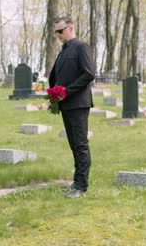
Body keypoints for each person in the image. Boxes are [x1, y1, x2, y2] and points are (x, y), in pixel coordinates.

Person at [49, 16, 95, 198]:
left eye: (60, 31)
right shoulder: (63, 51)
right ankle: (76, 181)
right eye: (56, 32)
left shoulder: (81, 47)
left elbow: (89, 74)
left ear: (71, 28)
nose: (58, 35)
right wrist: (53, 94)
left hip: (78, 103)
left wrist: (66, 91)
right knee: (73, 144)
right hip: (65, 104)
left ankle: (82, 186)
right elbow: (57, 77)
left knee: (81, 144)